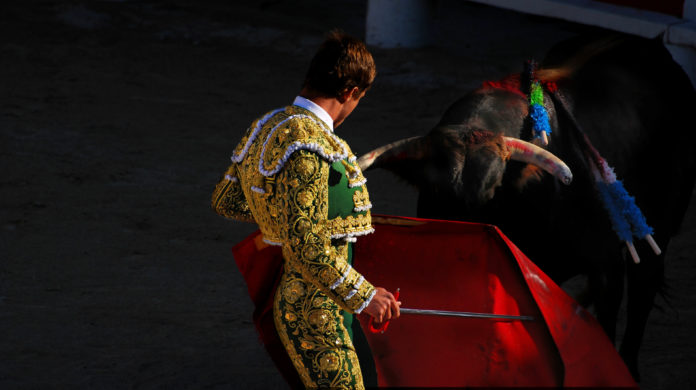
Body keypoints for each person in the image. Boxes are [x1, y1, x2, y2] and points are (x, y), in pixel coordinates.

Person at [211, 30, 400, 389]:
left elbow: (226, 200)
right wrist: (365, 295)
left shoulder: (265, 125)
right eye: (358, 98)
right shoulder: (312, 145)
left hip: (317, 301)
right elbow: (305, 244)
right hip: (317, 312)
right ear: (349, 92)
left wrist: (281, 212)